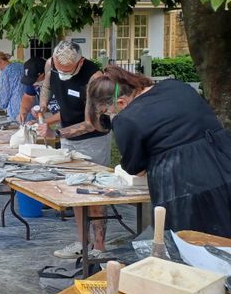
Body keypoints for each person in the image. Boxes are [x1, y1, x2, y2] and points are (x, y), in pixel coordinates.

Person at [86, 67, 231, 236]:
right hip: (224, 161)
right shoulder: (176, 86)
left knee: (194, 246)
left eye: (106, 111)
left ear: (121, 103)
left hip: (184, 187)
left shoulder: (127, 119)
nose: (109, 115)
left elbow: (136, 169)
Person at [37, 40, 109, 260]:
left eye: (69, 71)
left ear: (80, 62)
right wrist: (42, 108)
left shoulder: (94, 78)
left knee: (94, 194)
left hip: (93, 139)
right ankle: (82, 243)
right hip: (68, 137)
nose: (64, 74)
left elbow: (92, 124)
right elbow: (47, 86)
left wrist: (56, 134)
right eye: (61, 70)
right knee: (76, 192)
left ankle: (99, 248)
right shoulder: (52, 65)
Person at [18, 56, 60, 125]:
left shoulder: (59, 80)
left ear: (42, 74)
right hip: (57, 120)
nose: (33, 84)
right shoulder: (33, 80)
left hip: (74, 122)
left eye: (35, 80)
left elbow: (68, 111)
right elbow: (28, 97)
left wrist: (43, 122)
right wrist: (23, 111)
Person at [0, 51, 24, 122]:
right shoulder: (20, 66)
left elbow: (5, 92)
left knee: (18, 130)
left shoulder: (5, 72)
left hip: (16, 106)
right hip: (31, 102)